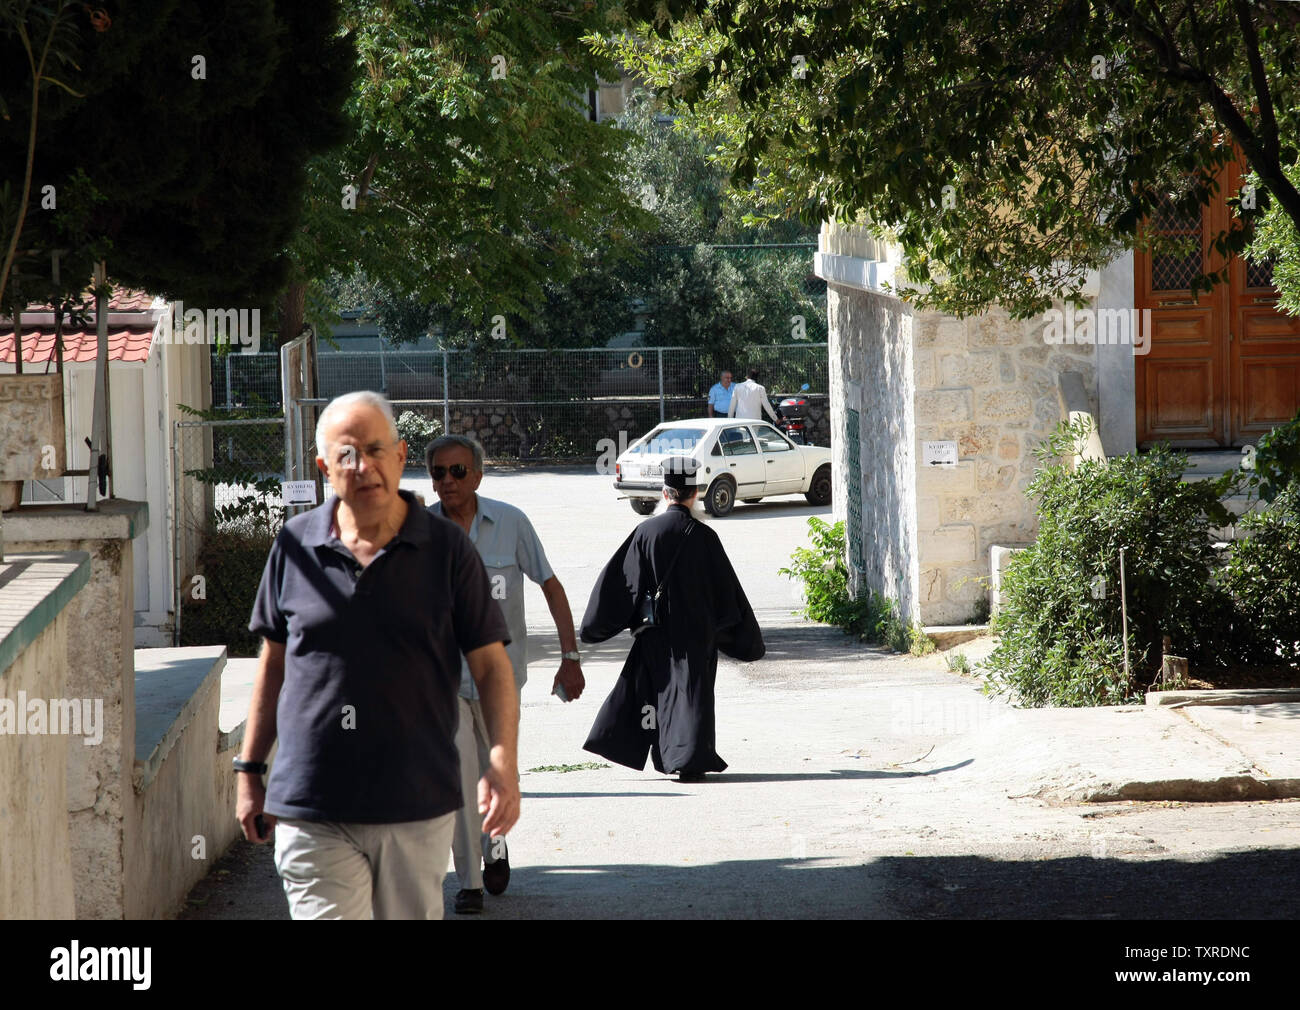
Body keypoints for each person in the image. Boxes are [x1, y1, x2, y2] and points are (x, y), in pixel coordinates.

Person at [237, 391, 520, 920]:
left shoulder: (447, 551)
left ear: (400, 455)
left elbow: (490, 664)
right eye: (346, 454)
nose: (363, 465)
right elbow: (273, 663)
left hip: (414, 803)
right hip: (312, 802)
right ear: (324, 467)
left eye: (375, 449)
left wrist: (502, 759)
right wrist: (249, 770)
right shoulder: (295, 545)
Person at [426, 433, 586, 914]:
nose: (448, 482)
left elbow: (551, 588)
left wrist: (570, 658)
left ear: (477, 475)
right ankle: (470, 882)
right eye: (438, 473)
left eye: (457, 471)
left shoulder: (512, 523)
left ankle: (494, 845)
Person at [580, 456, 765, 781]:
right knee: (692, 694)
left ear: (665, 493)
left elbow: (624, 582)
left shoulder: (646, 532)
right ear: (694, 493)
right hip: (697, 634)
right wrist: (732, 632)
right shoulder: (705, 537)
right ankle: (690, 757)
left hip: (656, 633)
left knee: (661, 694)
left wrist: (600, 625)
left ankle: (671, 755)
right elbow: (725, 590)